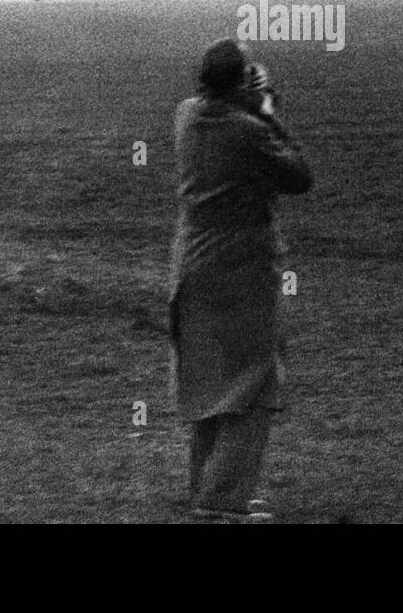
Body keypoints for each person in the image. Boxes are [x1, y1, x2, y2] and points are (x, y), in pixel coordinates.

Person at [168, 39, 312, 523]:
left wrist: (246, 102)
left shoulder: (186, 115)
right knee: (253, 382)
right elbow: (298, 176)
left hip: (191, 266)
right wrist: (267, 110)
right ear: (240, 84)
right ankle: (220, 502)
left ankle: (206, 489)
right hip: (243, 271)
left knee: (209, 382)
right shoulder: (249, 130)